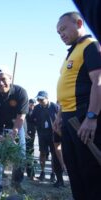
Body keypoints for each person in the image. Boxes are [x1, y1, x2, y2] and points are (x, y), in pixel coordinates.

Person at [54, 11, 101, 199]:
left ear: (79, 23)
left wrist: (91, 117)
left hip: (84, 118)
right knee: (75, 171)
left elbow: (98, 82)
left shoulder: (91, 47)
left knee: (91, 174)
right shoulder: (71, 53)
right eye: (58, 32)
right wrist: (59, 116)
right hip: (69, 119)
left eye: (64, 29)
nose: (61, 34)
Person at [0, 66, 28, 199]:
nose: (0, 83)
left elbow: (21, 117)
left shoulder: (20, 92)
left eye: (3, 79)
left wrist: (13, 134)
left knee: (20, 156)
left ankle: (16, 183)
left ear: (10, 78)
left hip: (16, 126)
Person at [31, 91, 64, 187]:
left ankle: (53, 174)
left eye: (41, 99)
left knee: (54, 154)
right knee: (42, 152)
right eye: (38, 99)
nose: (39, 101)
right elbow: (31, 118)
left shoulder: (55, 107)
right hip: (42, 133)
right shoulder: (37, 108)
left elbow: (61, 118)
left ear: (47, 98)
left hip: (53, 133)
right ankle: (42, 172)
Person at [25, 98, 36, 180]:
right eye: (30, 103)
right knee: (27, 153)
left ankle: (31, 174)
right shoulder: (25, 111)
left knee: (30, 153)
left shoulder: (36, 111)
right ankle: (30, 173)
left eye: (33, 104)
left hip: (32, 134)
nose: (32, 105)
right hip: (26, 133)